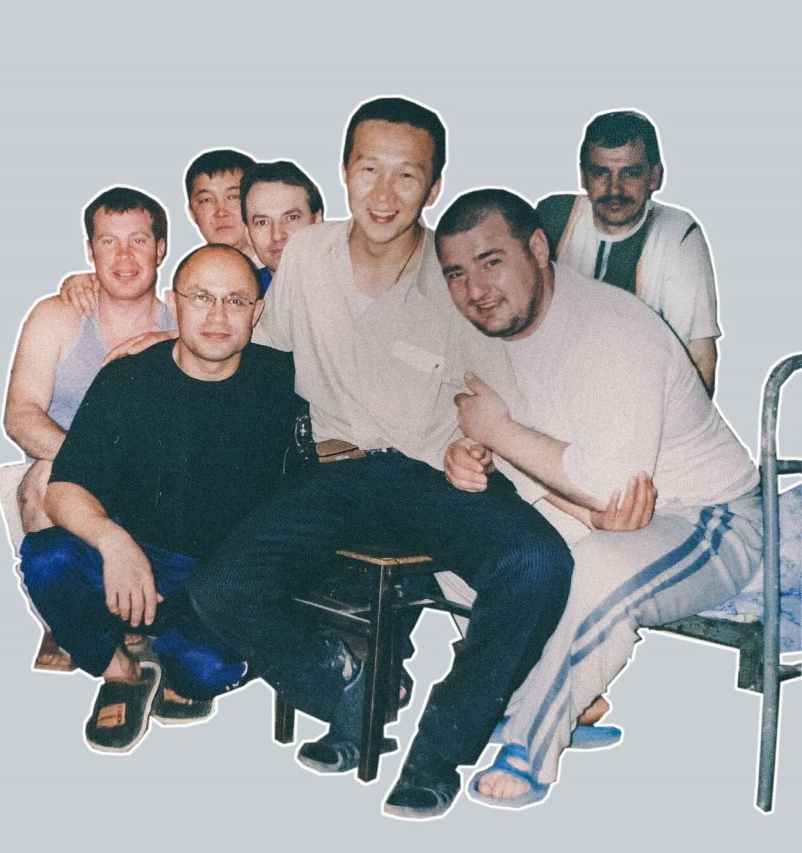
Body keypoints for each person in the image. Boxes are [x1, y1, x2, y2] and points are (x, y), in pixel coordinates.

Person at [185, 97, 573, 820]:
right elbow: (261, 359)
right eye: (369, 170)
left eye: (407, 175)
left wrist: (478, 446)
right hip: (332, 474)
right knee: (220, 587)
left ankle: (440, 746)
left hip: (433, 477)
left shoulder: (455, 271)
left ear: (434, 185)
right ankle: (348, 692)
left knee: (538, 562)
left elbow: (504, 386)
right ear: (344, 172)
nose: (384, 194)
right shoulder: (307, 256)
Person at [435, 188, 761, 809]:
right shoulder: (488, 331)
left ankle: (529, 744)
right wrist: (471, 454)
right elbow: (549, 470)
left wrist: (497, 433)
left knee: (600, 570)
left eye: (491, 261)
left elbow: (612, 485)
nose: (475, 289)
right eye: (456, 272)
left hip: (709, 517)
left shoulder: (613, 331)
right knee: (461, 540)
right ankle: (535, 695)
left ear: (538, 249)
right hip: (599, 511)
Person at [19, 244, 299, 752]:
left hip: (221, 578)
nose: (218, 316)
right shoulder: (128, 378)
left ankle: (176, 656)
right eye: (202, 298)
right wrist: (113, 541)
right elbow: (63, 488)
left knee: (204, 672)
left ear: (256, 312)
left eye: (236, 301)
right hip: (135, 560)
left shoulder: (284, 381)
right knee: (47, 559)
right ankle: (122, 672)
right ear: (175, 303)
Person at [2, 186, 176, 667]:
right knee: (42, 478)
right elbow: (20, 416)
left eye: (138, 241)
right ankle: (63, 621)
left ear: (160, 248)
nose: (124, 257)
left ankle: (145, 617)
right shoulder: (56, 317)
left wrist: (169, 337)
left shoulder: (184, 320)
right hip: (70, 484)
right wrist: (94, 461)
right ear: (90, 250)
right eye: (108, 242)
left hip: (155, 490)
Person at [537, 110, 720, 393]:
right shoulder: (554, 218)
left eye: (630, 173)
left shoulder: (677, 233)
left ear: (655, 177)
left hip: (637, 400)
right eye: (600, 173)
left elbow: (700, 358)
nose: (614, 189)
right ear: (583, 176)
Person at [58, 149, 259, 315]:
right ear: (192, 213)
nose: (221, 212)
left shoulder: (276, 274)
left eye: (233, 197)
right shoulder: (192, 276)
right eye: (206, 200)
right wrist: (91, 281)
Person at [240, 159, 324, 293]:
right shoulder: (244, 294)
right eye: (262, 222)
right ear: (248, 234)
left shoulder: (352, 284)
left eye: (292, 218)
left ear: (317, 221)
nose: (277, 235)